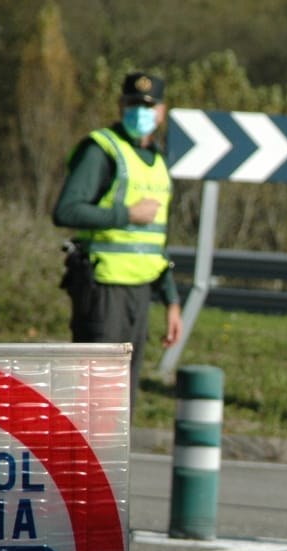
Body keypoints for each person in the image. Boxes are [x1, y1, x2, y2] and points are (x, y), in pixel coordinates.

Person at [53, 70, 183, 412]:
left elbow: (155, 241)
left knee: (122, 399)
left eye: (149, 106)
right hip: (103, 289)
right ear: (121, 106)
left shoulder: (158, 160)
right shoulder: (101, 150)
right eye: (133, 104)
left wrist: (171, 299)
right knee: (96, 396)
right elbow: (66, 210)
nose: (141, 112)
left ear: (162, 111)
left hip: (140, 292)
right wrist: (126, 214)